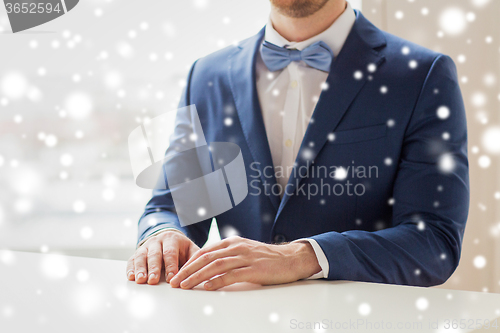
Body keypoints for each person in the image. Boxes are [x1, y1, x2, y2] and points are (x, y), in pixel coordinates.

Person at [126, 0, 469, 290]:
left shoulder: (421, 76)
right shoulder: (208, 76)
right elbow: (175, 205)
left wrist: (303, 257)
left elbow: (434, 242)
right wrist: (164, 233)